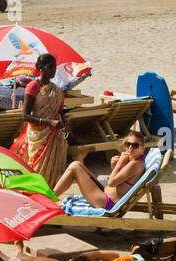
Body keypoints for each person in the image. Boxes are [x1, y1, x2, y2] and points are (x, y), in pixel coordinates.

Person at [11, 52, 69, 188]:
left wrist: (65, 122)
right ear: (41, 68)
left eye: (55, 67)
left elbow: (59, 111)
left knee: (53, 169)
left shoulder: (56, 90)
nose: (53, 70)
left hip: (54, 134)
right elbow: (25, 115)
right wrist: (48, 122)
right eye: (50, 67)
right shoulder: (33, 86)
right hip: (38, 134)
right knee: (36, 166)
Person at [53, 132, 147, 211]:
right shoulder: (134, 161)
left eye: (135, 145)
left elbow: (111, 183)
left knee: (74, 167)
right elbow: (120, 181)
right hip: (105, 194)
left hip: (105, 202)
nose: (130, 148)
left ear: (142, 148)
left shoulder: (135, 164)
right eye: (128, 144)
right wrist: (115, 166)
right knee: (77, 164)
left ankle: (50, 198)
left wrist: (119, 163)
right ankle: (52, 196)